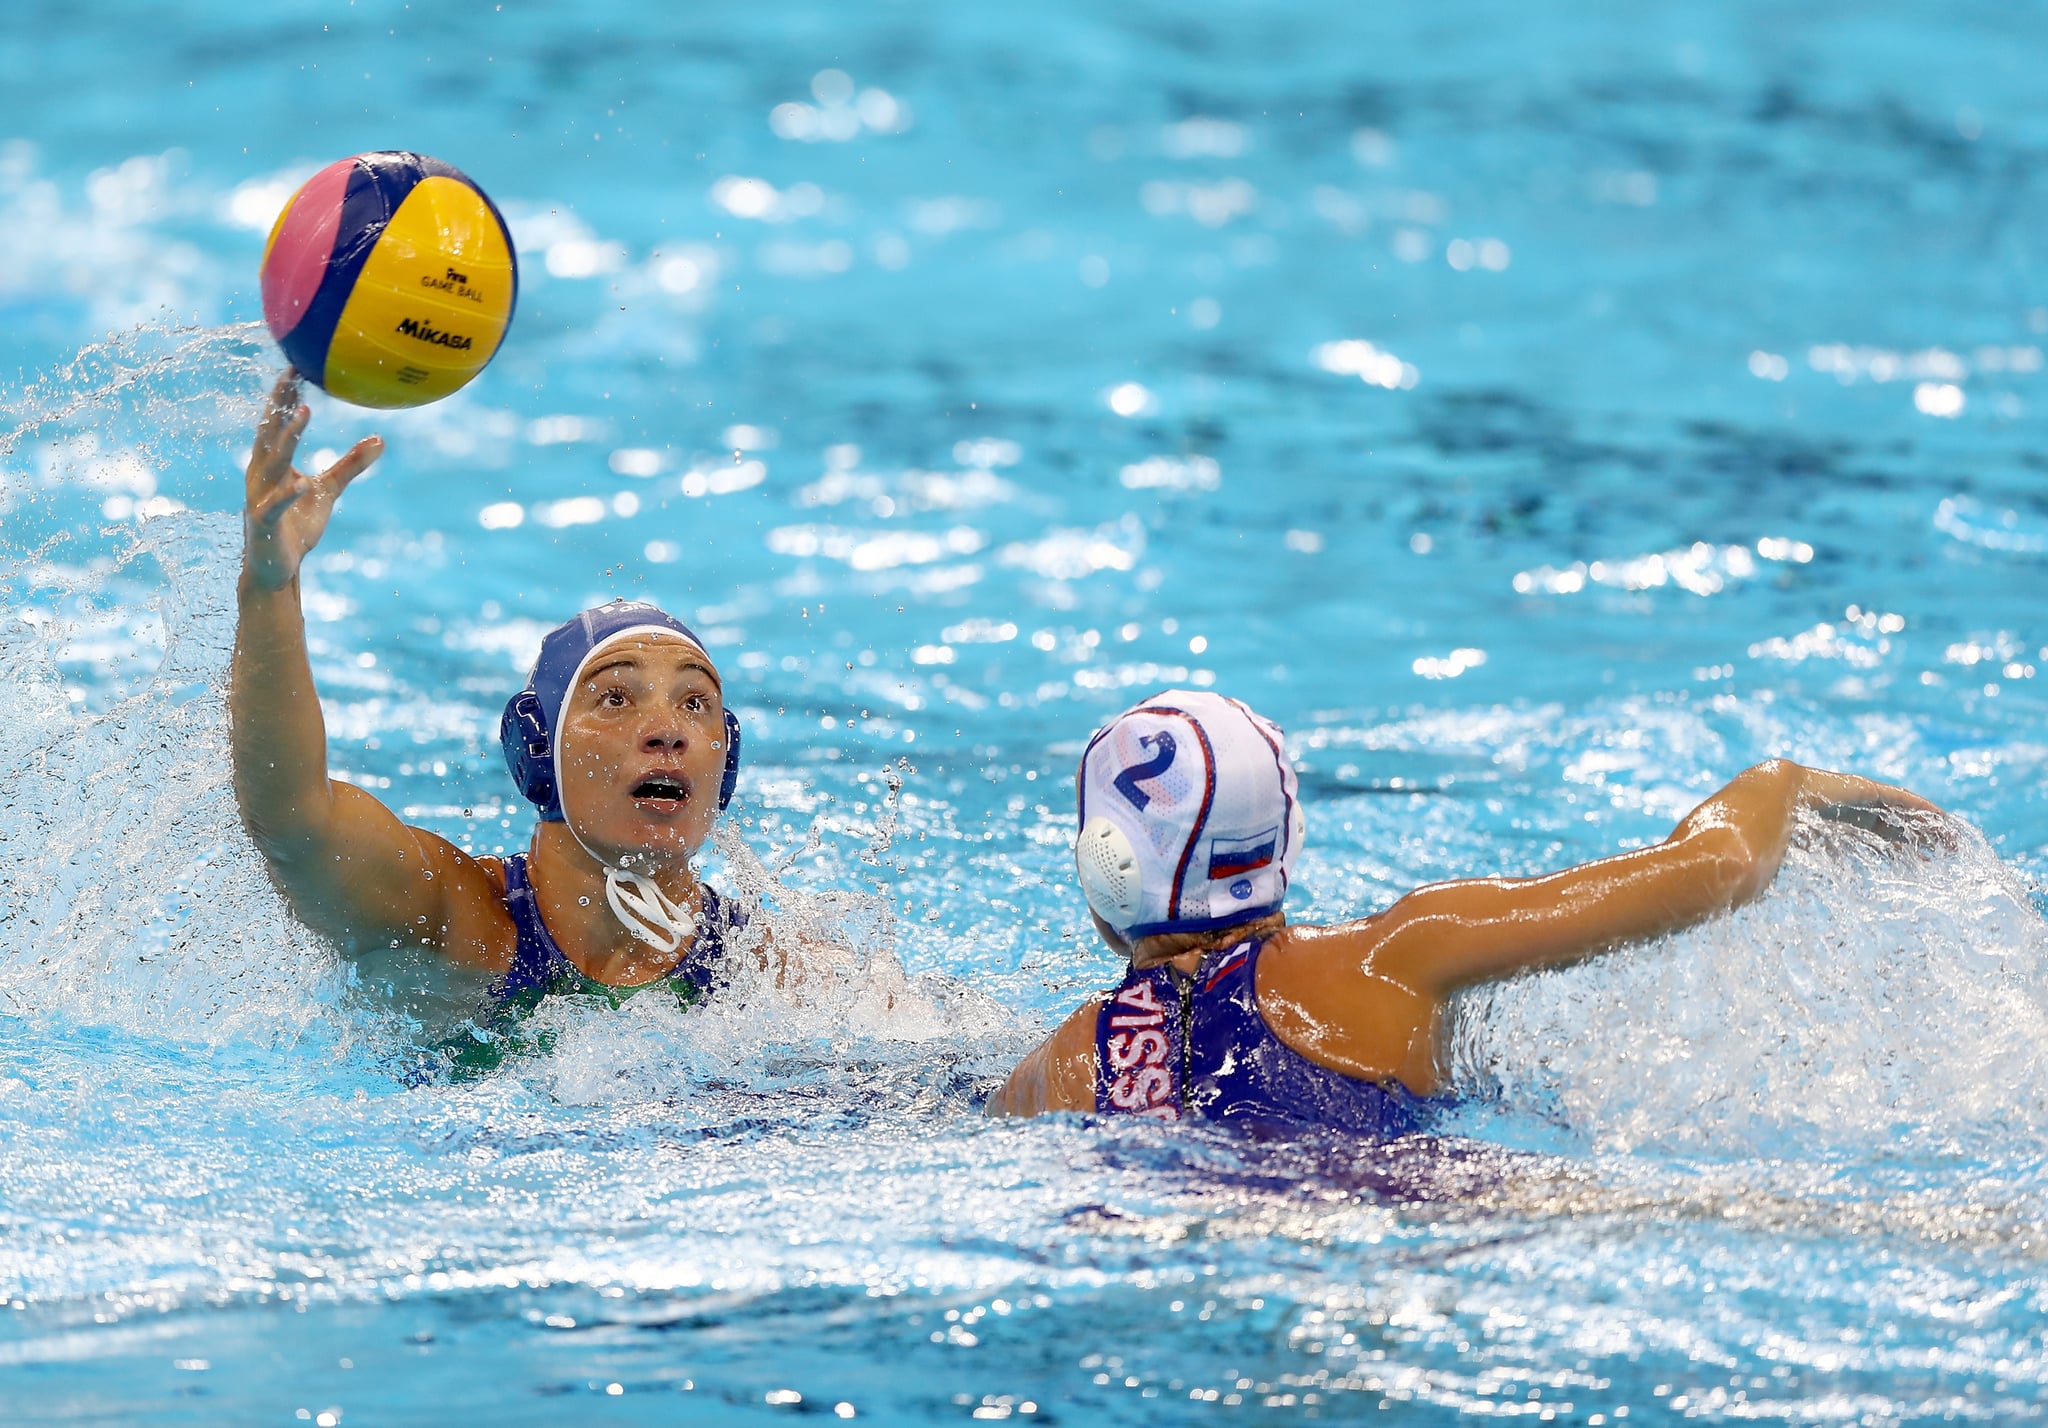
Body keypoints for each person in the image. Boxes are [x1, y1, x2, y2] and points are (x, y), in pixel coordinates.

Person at [987, 689, 1949, 1129]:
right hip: (1436, 1245)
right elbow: (1722, 866)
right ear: (1280, 847)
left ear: (1104, 868)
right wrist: (1788, 782)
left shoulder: (1071, 1060)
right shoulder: (1391, 960)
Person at [231, 372, 756, 1013]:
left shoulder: (768, 976)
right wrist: (268, 590)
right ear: (538, 750)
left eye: (694, 702)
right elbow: (292, 821)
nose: (667, 728)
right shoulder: (451, 924)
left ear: (725, 760)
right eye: (615, 698)